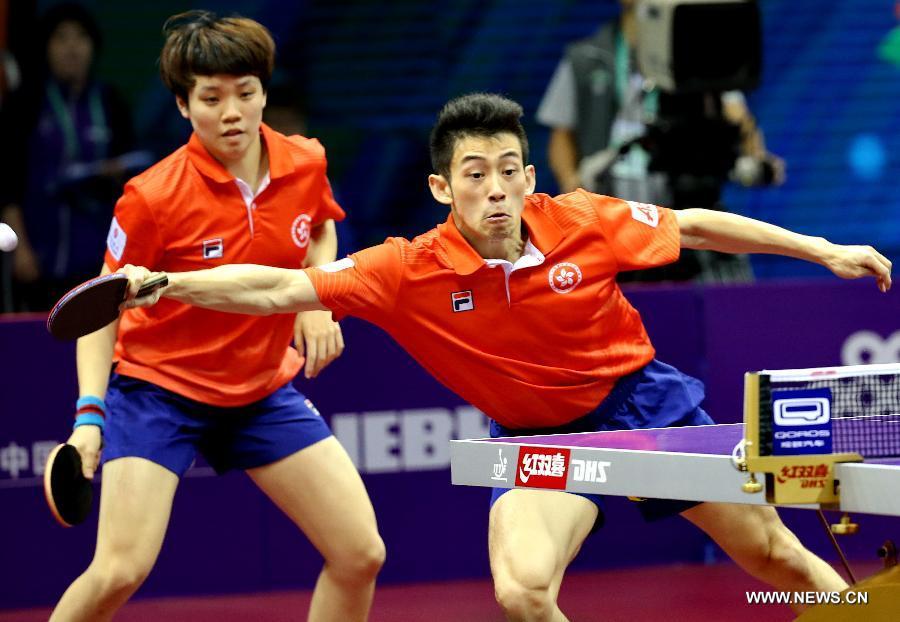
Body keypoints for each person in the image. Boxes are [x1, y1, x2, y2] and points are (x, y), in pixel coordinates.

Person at [119, 93, 892, 619]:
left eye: (508, 171)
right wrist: (165, 281)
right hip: (537, 439)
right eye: (474, 174)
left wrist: (822, 248)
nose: (496, 190)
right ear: (440, 187)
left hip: (645, 406)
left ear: (529, 174)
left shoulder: (581, 219)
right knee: (523, 591)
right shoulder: (404, 270)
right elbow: (277, 287)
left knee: (780, 561)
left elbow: (692, 225)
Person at [51, 12, 384, 622]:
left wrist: (314, 299)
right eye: (211, 97)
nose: (232, 112)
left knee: (360, 552)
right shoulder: (151, 197)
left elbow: (321, 226)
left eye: (246, 93)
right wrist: (89, 419)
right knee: (119, 570)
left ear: (264, 92)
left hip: (260, 388)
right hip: (161, 392)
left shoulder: (304, 161)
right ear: (183, 105)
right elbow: (100, 312)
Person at [536, 0, 785, 283]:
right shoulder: (585, 56)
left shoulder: (699, 53)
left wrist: (754, 157)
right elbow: (562, 136)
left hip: (687, 207)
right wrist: (572, 181)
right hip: (613, 211)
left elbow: (738, 120)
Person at [0, 3, 148, 311]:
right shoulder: (26, 102)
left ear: (93, 47)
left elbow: (135, 180)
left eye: (81, 38)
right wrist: (21, 250)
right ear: (46, 47)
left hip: (99, 254)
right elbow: (8, 181)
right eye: (61, 38)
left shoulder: (110, 101)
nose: (72, 48)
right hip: (40, 253)